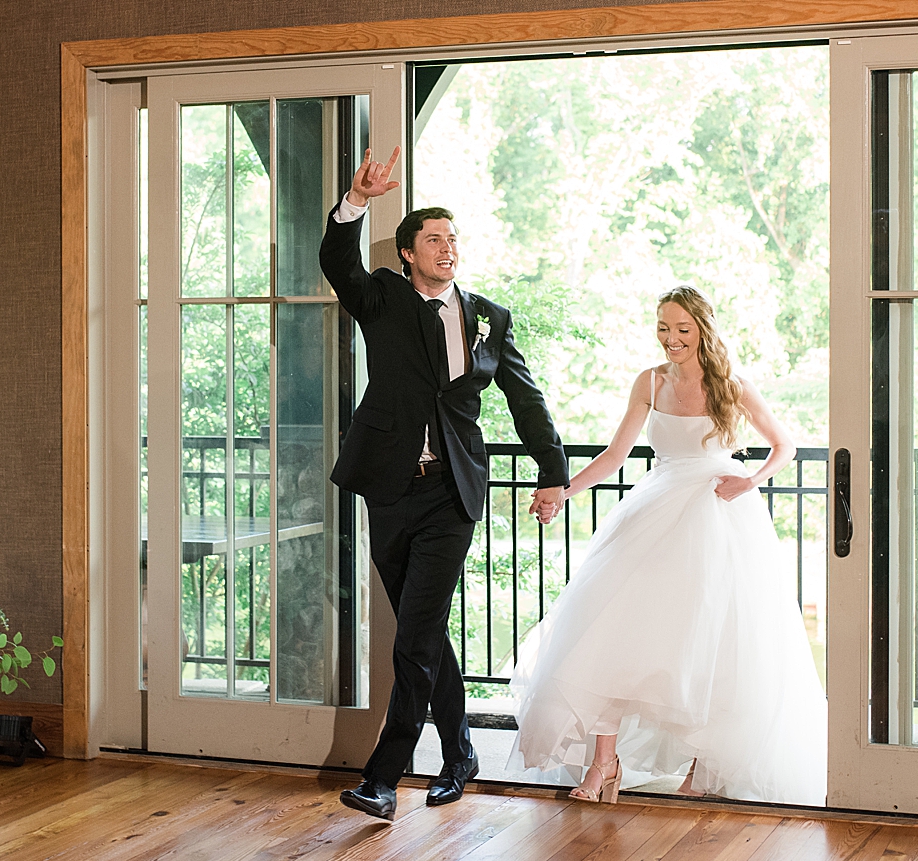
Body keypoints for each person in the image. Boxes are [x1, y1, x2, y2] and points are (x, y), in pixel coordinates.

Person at [320, 147, 570, 821]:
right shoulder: (381, 297)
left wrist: (553, 472)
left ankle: (383, 775)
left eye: (454, 238)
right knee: (421, 630)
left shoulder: (488, 316)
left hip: (453, 492)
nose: (448, 247)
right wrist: (355, 201)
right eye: (434, 238)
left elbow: (525, 397)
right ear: (407, 253)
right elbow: (336, 262)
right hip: (390, 488)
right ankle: (460, 751)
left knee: (415, 633)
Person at [508, 286, 827, 806]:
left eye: (682, 328)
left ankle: (705, 770)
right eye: (663, 327)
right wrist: (564, 492)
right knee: (611, 631)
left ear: (703, 328)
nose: (671, 338)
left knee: (718, 644)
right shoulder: (649, 382)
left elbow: (783, 444)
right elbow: (616, 454)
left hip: (721, 518)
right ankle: (603, 763)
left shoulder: (733, 385)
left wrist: (753, 480)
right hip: (656, 512)